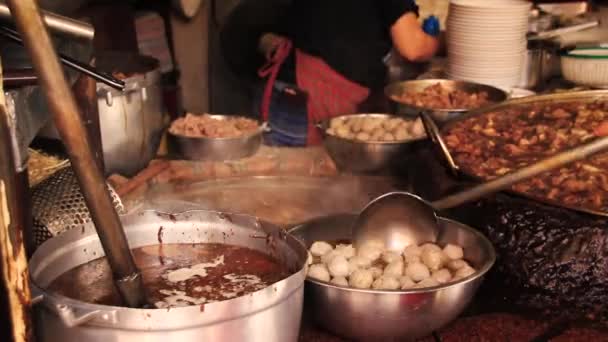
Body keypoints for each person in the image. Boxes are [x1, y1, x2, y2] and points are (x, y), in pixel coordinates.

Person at [221, 0, 440, 145]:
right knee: (301, 195)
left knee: (280, 195)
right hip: (304, 101)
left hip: (284, 92)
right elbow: (413, 47)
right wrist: (439, 42)